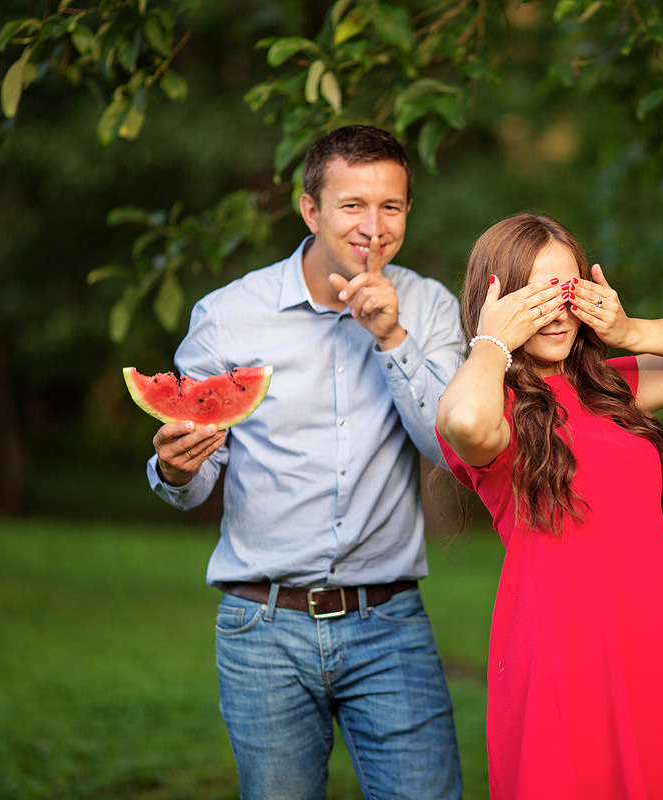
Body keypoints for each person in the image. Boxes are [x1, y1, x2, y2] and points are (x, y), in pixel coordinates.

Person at [145, 125, 463, 800]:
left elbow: (449, 446)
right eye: (352, 205)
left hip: (390, 623)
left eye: (391, 207)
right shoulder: (228, 316)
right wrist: (175, 470)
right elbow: (195, 475)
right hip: (262, 628)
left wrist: (393, 339)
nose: (373, 226)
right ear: (310, 209)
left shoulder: (430, 306)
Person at [436, 213, 663, 799]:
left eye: (567, 291)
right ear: (497, 303)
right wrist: (490, 343)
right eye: (535, 297)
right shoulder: (491, 402)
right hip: (562, 644)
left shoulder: (608, 390)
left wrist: (631, 331)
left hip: (656, 632)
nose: (557, 313)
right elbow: (464, 423)